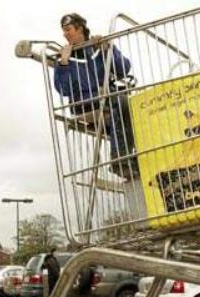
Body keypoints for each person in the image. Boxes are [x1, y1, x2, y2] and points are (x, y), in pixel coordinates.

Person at [54, 13, 138, 178]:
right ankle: (120, 161)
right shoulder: (66, 58)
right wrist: (64, 63)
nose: (65, 34)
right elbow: (64, 89)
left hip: (108, 99)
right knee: (121, 103)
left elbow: (123, 69)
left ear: (80, 29)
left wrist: (108, 50)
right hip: (84, 103)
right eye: (63, 31)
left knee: (137, 109)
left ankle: (135, 163)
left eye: (68, 29)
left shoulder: (98, 48)